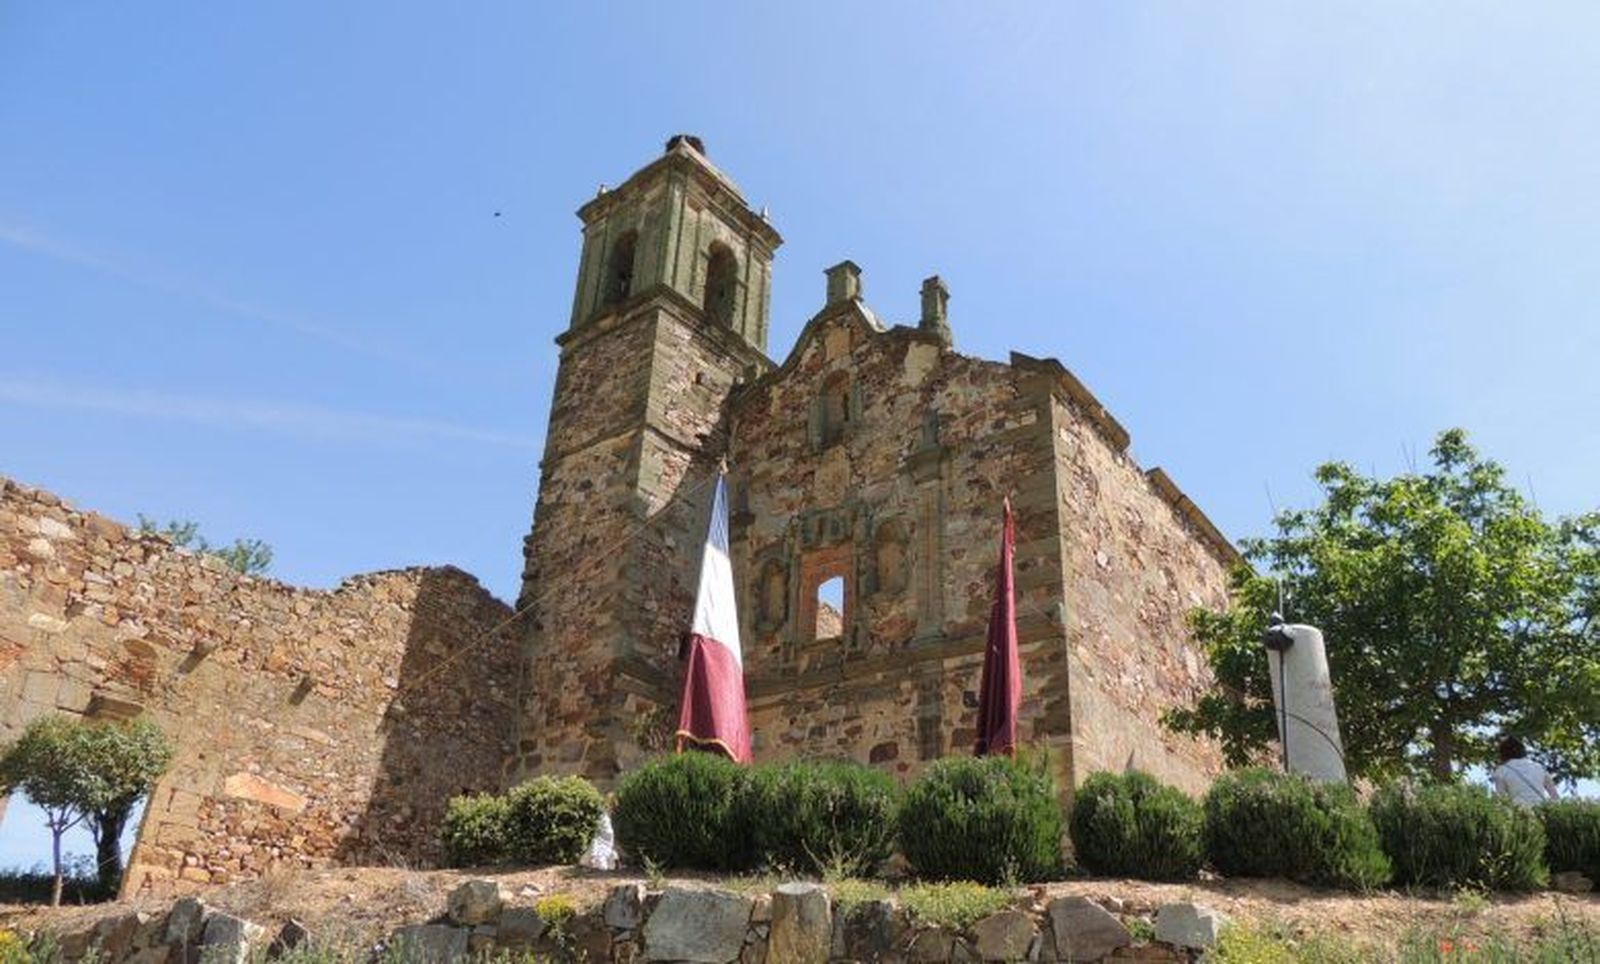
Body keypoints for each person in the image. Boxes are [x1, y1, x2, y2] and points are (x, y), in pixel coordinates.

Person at [1491, 736, 1559, 807]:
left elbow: (1501, 799)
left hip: (1520, 813)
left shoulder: (1502, 771)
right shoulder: (1538, 767)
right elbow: (1555, 797)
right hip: (1541, 812)